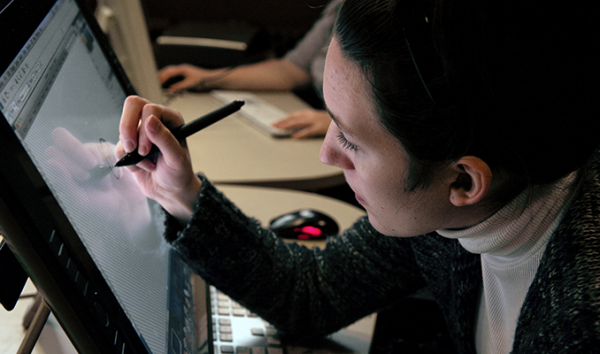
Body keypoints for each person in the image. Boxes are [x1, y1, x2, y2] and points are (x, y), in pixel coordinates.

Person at [116, 0, 600, 352]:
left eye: (349, 138)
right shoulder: (453, 205)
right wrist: (182, 192)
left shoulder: (579, 320)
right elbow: (314, 293)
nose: (327, 153)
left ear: (464, 182)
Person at [157, 0, 343, 139]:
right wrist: (208, 78)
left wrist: (340, 125)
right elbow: (291, 70)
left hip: (353, 143)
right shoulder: (340, 6)